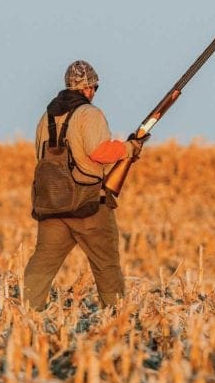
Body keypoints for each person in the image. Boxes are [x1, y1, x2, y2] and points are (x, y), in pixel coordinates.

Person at [23, 60, 144, 310]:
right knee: (106, 264)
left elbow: (40, 156)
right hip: (88, 205)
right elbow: (100, 152)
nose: (94, 92)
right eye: (95, 87)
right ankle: (116, 317)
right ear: (88, 87)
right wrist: (130, 147)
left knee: (43, 261)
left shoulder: (46, 118)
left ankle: (26, 311)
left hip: (53, 205)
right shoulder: (89, 114)